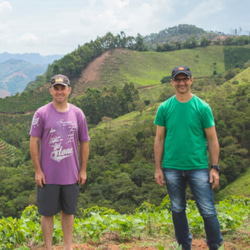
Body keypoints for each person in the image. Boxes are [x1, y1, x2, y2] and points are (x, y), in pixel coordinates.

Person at [154, 66, 223, 250]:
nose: (181, 83)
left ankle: (215, 245)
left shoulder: (202, 107)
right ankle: (184, 245)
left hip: (198, 167)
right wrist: (158, 168)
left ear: (191, 80)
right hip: (171, 167)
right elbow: (159, 139)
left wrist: (214, 167)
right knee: (177, 209)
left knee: (207, 210)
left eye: (185, 79)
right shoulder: (164, 108)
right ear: (172, 82)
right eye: (178, 79)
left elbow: (212, 139)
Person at [29, 74, 90, 250]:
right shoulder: (41, 113)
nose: (59, 91)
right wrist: (38, 171)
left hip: (71, 174)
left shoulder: (78, 114)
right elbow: (33, 142)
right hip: (48, 176)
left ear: (69, 90)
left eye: (63, 88)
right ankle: (48, 247)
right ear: (51, 91)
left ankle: (67, 247)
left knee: (68, 212)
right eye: (56, 88)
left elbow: (84, 142)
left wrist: (83, 170)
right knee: (47, 214)